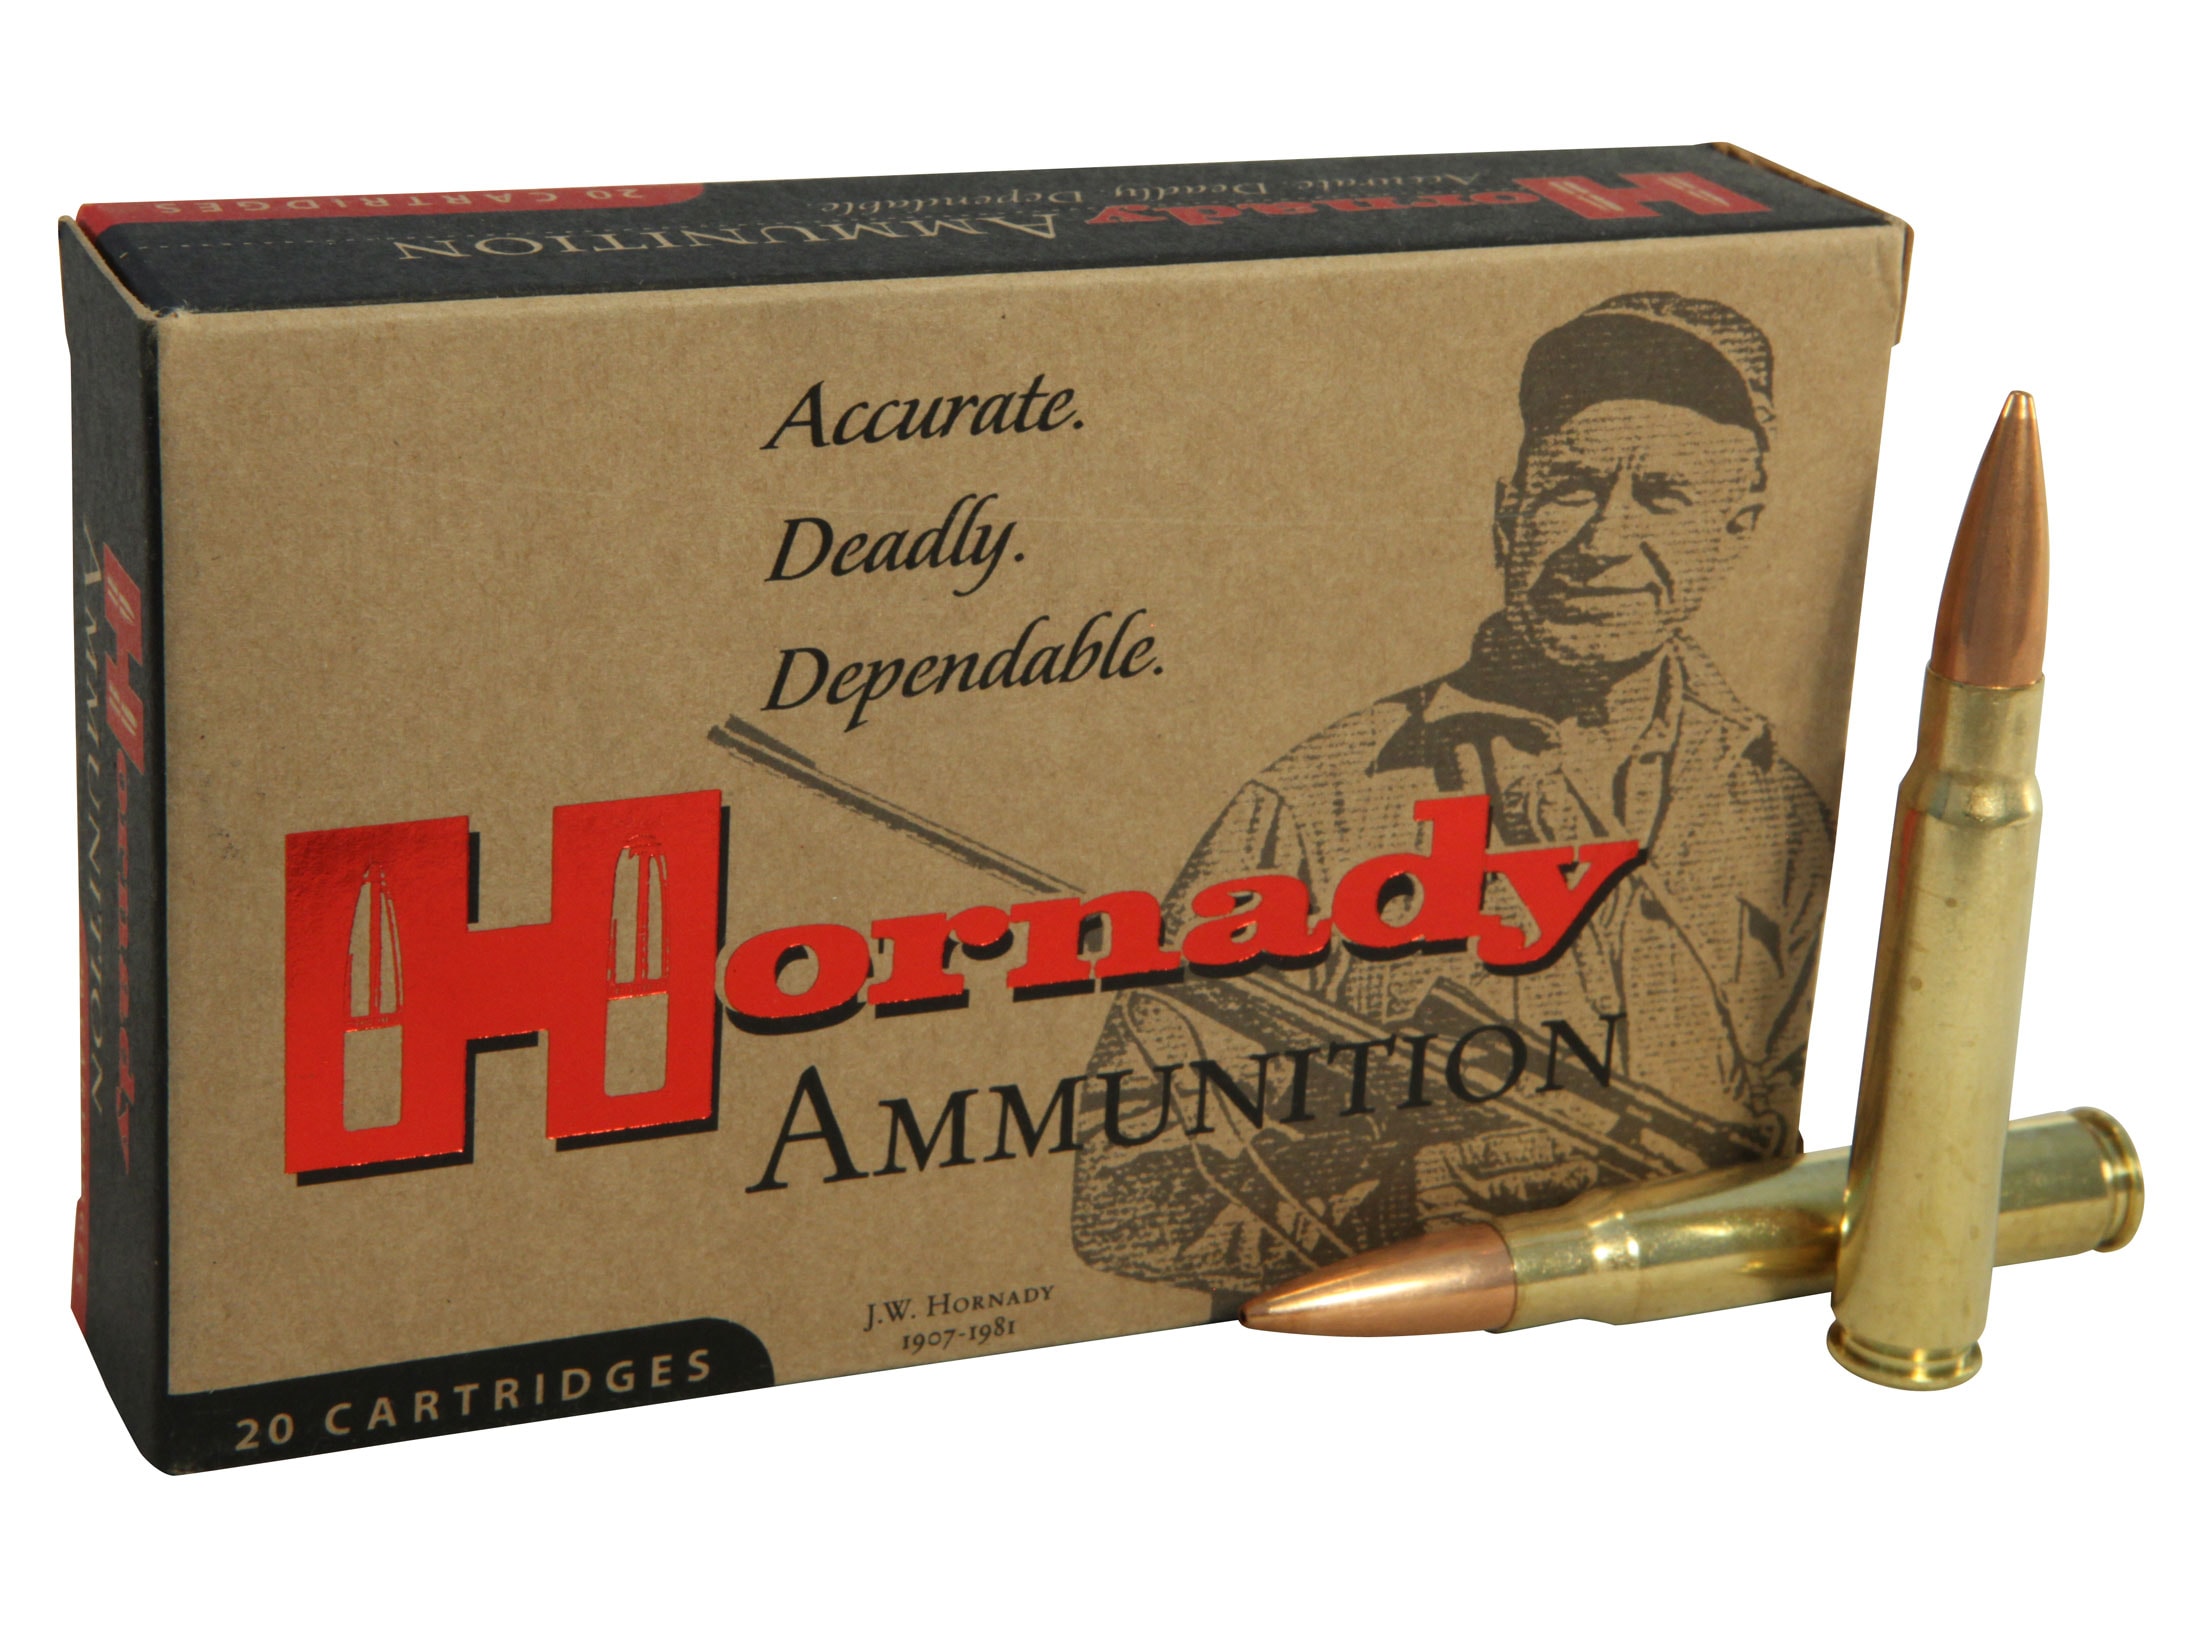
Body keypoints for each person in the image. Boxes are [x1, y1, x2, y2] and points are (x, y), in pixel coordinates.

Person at [1070, 292, 1833, 1313]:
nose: (1604, 538)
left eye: (1661, 497)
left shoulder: (1772, 805)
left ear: (1733, 530)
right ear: (1507, 514)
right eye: (1570, 488)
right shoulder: (1314, 806)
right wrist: (1409, 1199)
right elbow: (1125, 1199)